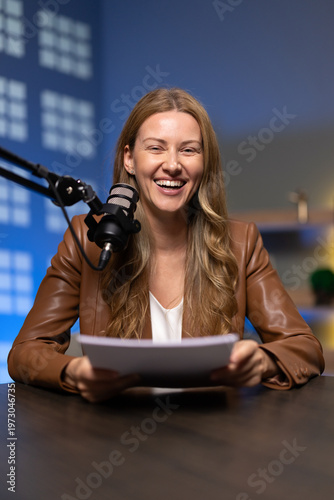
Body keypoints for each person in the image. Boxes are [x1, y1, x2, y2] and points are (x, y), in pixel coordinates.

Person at [8, 88, 324, 402]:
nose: (172, 165)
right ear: (129, 158)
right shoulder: (86, 239)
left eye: (188, 150)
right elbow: (26, 352)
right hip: (112, 434)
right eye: (156, 148)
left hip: (214, 436)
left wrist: (263, 362)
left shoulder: (241, 242)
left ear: (204, 163)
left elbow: (305, 347)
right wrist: (74, 373)